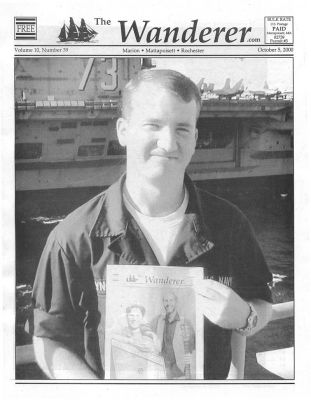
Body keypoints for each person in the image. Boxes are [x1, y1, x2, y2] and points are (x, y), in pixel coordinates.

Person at [32, 69, 273, 380]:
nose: (168, 142)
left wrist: (246, 316)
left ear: (196, 139)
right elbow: (48, 337)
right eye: (153, 125)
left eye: (183, 128)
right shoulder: (74, 236)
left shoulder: (231, 224)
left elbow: (261, 298)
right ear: (123, 130)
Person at [149, 291, 195, 379]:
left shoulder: (185, 322)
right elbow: (145, 328)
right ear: (163, 303)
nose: (168, 303)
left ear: (176, 302)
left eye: (171, 300)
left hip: (179, 371)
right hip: (162, 370)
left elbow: (193, 350)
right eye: (166, 301)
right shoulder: (158, 320)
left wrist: (188, 372)